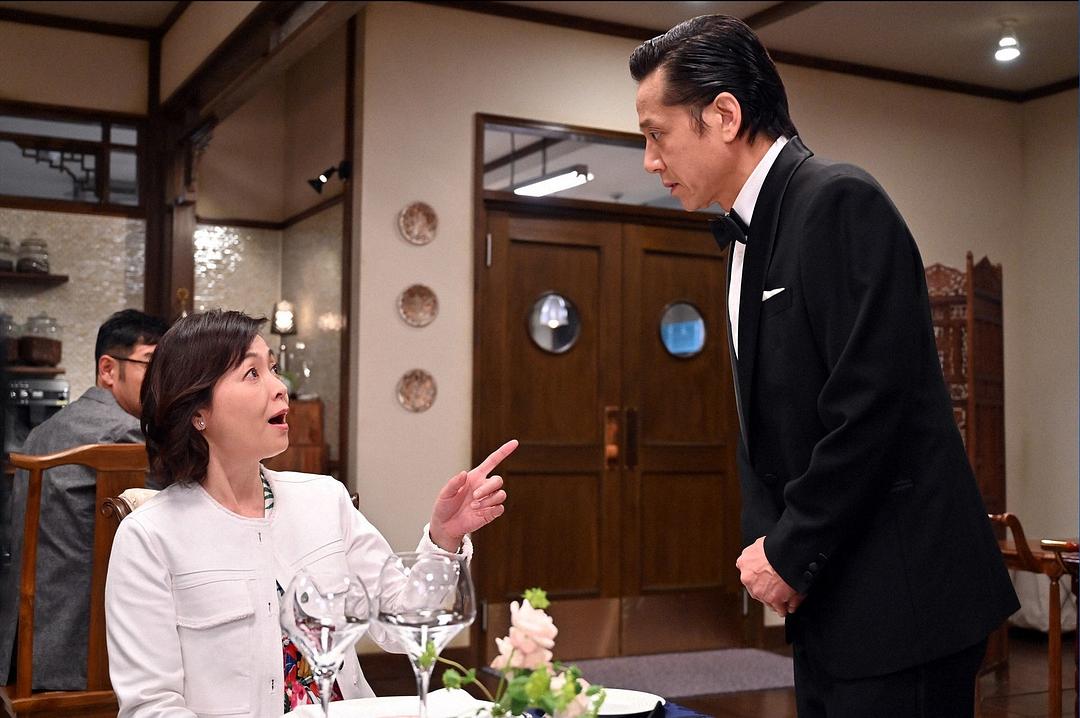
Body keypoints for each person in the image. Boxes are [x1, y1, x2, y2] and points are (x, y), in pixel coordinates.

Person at [630, 15, 1018, 717]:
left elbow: (871, 407)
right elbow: (764, 422)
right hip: (831, 595)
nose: (649, 161)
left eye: (657, 134)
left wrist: (789, 550)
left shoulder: (839, 200)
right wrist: (768, 546)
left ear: (724, 116)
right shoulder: (744, 237)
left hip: (902, 598)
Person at [104, 309, 517, 716]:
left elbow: (400, 624)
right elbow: (151, 707)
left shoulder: (324, 499)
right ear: (197, 412)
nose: (280, 387)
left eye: (273, 369)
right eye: (252, 373)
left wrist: (444, 538)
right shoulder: (150, 537)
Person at [0, 308, 169, 690]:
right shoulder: (126, 437)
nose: (163, 380)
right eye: (151, 364)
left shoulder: (44, 430)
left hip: (21, 652)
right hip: (82, 659)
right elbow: (179, 522)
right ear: (108, 369)